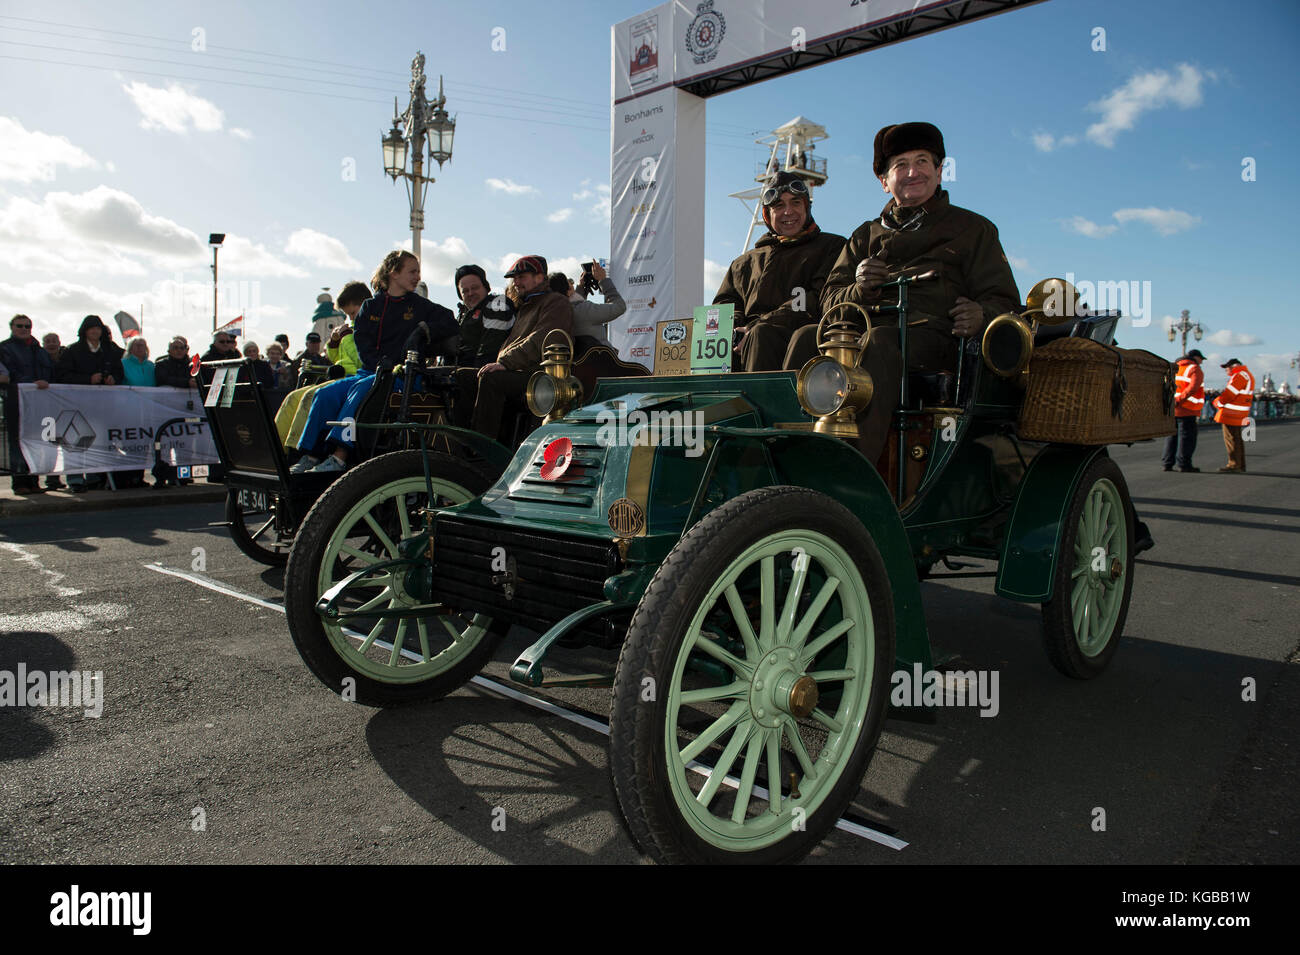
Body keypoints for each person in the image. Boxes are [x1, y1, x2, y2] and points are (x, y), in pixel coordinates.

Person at [786, 122, 1021, 465]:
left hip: (934, 342)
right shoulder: (863, 236)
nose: (913, 172)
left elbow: (1005, 302)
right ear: (884, 182)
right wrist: (860, 288)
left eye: (923, 161)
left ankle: (855, 478)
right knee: (805, 337)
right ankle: (786, 456)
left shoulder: (973, 229)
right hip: (862, 335)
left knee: (880, 342)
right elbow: (829, 303)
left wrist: (981, 314)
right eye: (900, 165)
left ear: (940, 172)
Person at [292, 250, 458, 473]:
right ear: (394, 273)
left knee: (362, 389)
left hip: (405, 376)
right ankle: (311, 456)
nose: (418, 276)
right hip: (371, 372)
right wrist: (380, 366)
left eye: (418, 271)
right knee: (325, 394)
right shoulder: (370, 307)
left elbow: (450, 320)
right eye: (413, 271)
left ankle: (340, 456)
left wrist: (423, 329)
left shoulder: (420, 306)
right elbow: (363, 347)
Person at [714, 170, 846, 372]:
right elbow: (726, 304)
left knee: (761, 334)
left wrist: (757, 326)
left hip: (800, 342)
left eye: (795, 203)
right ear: (768, 214)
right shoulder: (744, 263)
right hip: (746, 345)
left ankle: (770, 403)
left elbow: (815, 297)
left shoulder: (832, 247)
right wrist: (737, 330)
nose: (788, 212)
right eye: (779, 206)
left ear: (806, 208)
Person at [455, 255, 573, 443]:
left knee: (490, 378)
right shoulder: (525, 306)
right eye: (514, 278)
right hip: (520, 371)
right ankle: (458, 442)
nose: (516, 282)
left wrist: (504, 362)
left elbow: (542, 340)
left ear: (540, 277)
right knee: (460, 376)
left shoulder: (555, 302)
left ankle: (483, 446)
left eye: (522, 277)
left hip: (541, 377)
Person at [58, 315, 126, 493]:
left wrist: (114, 378)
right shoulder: (72, 351)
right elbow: (63, 375)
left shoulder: (110, 349)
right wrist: (87, 379)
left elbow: (120, 370)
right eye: (91, 328)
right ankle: (75, 479)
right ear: (85, 331)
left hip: (103, 405)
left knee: (99, 441)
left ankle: (94, 477)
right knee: (75, 442)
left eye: (98, 328)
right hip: (78, 404)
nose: (95, 331)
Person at [0, 314, 53, 494]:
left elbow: (49, 372)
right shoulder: (4, 348)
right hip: (16, 400)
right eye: (20, 326)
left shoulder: (39, 350)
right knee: (17, 441)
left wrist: (42, 381)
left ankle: (34, 480)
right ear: (12, 327)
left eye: (27, 326)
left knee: (36, 441)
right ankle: (20, 481)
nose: (24, 329)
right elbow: (8, 374)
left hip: (38, 403)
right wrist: (32, 382)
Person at [549, 260, 625, 351]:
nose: (573, 284)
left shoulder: (552, 314)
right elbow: (620, 306)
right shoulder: (585, 310)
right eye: (570, 282)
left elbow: (572, 306)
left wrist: (580, 290)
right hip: (601, 361)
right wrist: (603, 280)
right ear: (568, 291)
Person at [454, 264, 516, 367]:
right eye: (465, 291)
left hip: (484, 375)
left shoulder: (497, 305)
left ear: (486, 287)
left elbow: (490, 353)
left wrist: (470, 376)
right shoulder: (462, 315)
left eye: (475, 288)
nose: (470, 293)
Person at [1162, 348, 1205, 472]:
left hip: (1173, 408)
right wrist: (1180, 399)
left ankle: (1167, 463)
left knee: (1171, 436)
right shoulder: (1194, 369)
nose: (1201, 362)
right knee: (1186, 438)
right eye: (1201, 359)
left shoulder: (1175, 368)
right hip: (1187, 409)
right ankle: (1184, 464)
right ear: (1195, 358)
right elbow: (1193, 387)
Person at [1212, 358, 1255, 473]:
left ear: (1233, 366)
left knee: (1231, 439)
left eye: (1227, 367)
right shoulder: (1246, 375)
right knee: (1236, 439)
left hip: (1231, 413)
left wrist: (1217, 402)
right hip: (1239, 412)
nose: (1226, 370)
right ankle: (1240, 465)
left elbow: (1229, 394)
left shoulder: (1239, 375)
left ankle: (1234, 464)